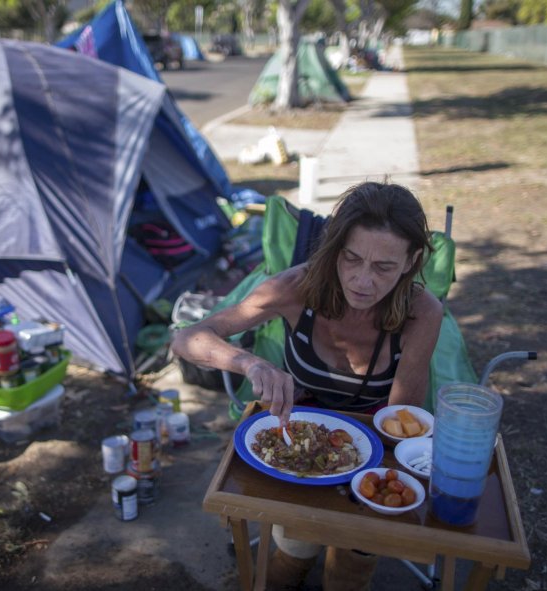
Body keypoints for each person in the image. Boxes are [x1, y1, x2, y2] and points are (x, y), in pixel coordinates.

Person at [171, 181, 443, 590]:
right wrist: (248, 362)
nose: (362, 281)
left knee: (354, 557)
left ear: (411, 261)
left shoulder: (422, 312)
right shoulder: (296, 287)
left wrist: (361, 505)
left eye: (383, 267)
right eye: (351, 258)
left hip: (372, 444)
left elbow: (399, 422)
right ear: (335, 250)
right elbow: (187, 337)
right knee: (295, 549)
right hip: (293, 437)